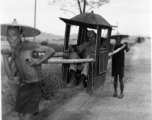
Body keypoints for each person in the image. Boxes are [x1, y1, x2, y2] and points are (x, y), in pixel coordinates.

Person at [1, 19, 55, 120]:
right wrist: (4, 57)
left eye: (13, 35)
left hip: (34, 87)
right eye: (8, 35)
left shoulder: (28, 45)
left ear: (21, 36)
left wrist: (38, 62)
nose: (10, 38)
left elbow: (51, 50)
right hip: (22, 88)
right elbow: (10, 76)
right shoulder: (14, 52)